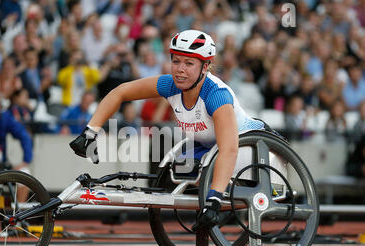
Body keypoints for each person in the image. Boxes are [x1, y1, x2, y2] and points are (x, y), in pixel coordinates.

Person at [69, 30, 266, 231]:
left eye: (189, 64)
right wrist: (90, 132)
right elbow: (120, 92)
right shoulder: (170, 85)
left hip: (249, 148)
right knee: (179, 167)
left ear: (205, 67)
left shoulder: (216, 96)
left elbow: (229, 150)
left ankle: (226, 194)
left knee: (200, 170)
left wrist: (214, 200)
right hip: (207, 145)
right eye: (176, 61)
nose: (180, 69)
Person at [0, 89, 33, 204]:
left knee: (25, 173)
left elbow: (24, 135)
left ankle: (19, 215)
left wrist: (26, 160)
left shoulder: (5, 118)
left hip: (1, 164)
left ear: (0, 106)